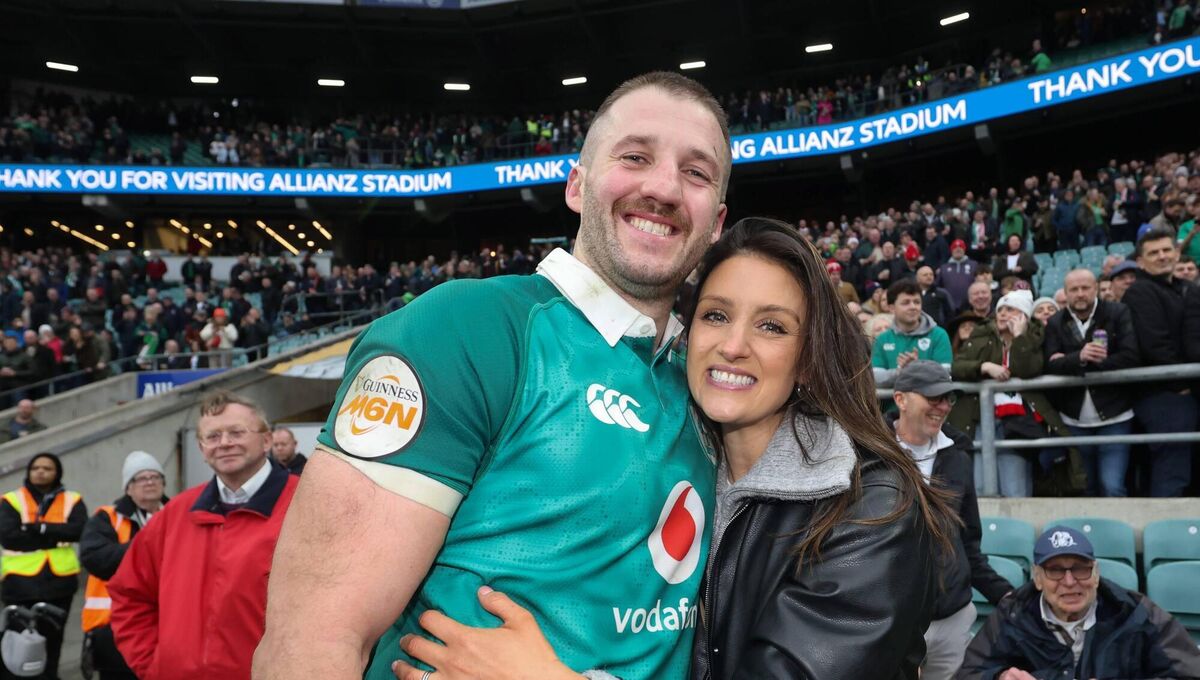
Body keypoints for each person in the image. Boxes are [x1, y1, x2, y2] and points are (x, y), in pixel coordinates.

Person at [255, 71, 733, 680]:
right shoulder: (463, 330)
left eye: (695, 172)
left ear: (715, 224)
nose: (665, 187)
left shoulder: (711, 380)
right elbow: (312, 643)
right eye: (635, 156)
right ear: (577, 186)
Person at [391, 218, 954, 680]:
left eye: (772, 328)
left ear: (808, 359)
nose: (733, 346)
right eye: (716, 315)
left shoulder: (872, 506)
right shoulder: (677, 461)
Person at [109, 391, 298, 680]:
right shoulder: (175, 514)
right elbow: (129, 593)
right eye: (213, 436)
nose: (224, 443)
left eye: (237, 432)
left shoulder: (305, 505)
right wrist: (155, 666)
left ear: (267, 440)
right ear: (201, 447)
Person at [889, 362, 1013, 680]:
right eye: (933, 397)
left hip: (952, 620)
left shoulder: (957, 457)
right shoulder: (869, 454)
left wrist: (1004, 594)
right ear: (900, 399)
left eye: (948, 398)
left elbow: (967, 540)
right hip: (890, 621)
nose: (942, 406)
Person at [958, 526, 1200, 679]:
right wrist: (1000, 677)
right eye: (1055, 571)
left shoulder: (1136, 613)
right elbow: (969, 673)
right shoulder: (1011, 615)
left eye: (1080, 568)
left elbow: (1188, 673)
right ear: (1037, 578)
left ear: (1095, 573)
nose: (1070, 581)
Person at [949, 290, 1080, 497]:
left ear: (1024, 316)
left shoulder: (1035, 337)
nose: (1002, 313)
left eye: (1010, 309)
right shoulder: (982, 333)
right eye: (1000, 309)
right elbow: (957, 367)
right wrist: (984, 366)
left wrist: (1019, 337)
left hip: (1019, 421)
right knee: (981, 486)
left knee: (1014, 486)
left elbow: (1028, 370)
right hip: (980, 418)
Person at [1042, 269, 1140, 497]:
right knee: (1085, 487)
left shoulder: (1117, 312)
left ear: (1095, 288)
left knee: (1112, 486)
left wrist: (1073, 361)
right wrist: (1079, 357)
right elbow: (1049, 365)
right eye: (1074, 289)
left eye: (1085, 288)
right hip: (1074, 419)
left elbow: (1131, 356)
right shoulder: (1056, 322)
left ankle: (1116, 533)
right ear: (1066, 293)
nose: (1080, 294)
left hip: (1116, 415)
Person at [79, 451, 168, 680]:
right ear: (128, 488)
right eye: (141, 478)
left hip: (169, 620)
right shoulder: (107, 518)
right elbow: (95, 559)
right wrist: (146, 545)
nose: (150, 482)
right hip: (115, 625)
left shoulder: (178, 513)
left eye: (155, 477)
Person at [1121, 227, 1196, 497]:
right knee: (1172, 470)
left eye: (1167, 250)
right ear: (1141, 261)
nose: (1162, 256)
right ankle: (1169, 535)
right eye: (1154, 253)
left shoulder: (1183, 288)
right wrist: (1183, 383)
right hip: (1163, 394)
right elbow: (1155, 344)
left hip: (1182, 391)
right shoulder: (1139, 292)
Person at [0, 452, 86, 680]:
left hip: (59, 583)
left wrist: (38, 528)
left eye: (47, 468)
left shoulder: (72, 499)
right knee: (16, 639)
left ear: (57, 472)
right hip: (19, 583)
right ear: (29, 472)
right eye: (36, 467)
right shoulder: (11, 500)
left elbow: (78, 531)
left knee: (53, 639)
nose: (41, 471)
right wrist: (56, 535)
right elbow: (9, 537)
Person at [871, 279, 952, 389]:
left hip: (930, 405)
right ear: (891, 308)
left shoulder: (939, 335)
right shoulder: (882, 339)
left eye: (917, 302)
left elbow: (944, 374)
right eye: (906, 303)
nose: (913, 307)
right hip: (893, 406)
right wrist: (899, 372)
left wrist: (916, 369)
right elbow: (875, 378)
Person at [937, 239, 977, 312]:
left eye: (960, 247)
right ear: (951, 250)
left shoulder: (974, 265)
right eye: (955, 248)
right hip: (948, 306)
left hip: (969, 306)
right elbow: (938, 286)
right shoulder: (943, 268)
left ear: (964, 250)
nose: (958, 250)